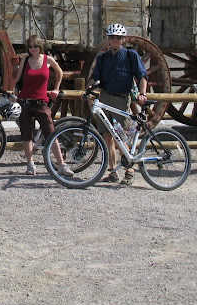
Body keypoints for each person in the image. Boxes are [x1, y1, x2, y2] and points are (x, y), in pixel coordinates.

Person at [87, 23, 148, 186]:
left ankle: (130, 170)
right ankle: (113, 171)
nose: (115, 40)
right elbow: (95, 76)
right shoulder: (102, 58)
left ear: (123, 40)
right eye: (112, 37)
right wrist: (89, 86)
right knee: (107, 137)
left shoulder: (131, 55)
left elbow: (142, 76)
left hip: (121, 100)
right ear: (109, 39)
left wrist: (142, 94)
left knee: (120, 136)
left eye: (118, 38)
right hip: (105, 98)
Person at [14, 34, 74, 177]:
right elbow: (17, 80)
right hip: (25, 102)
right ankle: (30, 164)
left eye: (35, 46)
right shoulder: (25, 61)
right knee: (26, 135)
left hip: (42, 103)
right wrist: (15, 96)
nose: (33, 48)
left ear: (40, 46)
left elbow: (59, 72)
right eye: (30, 46)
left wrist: (56, 88)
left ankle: (61, 165)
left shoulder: (48, 60)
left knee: (51, 133)